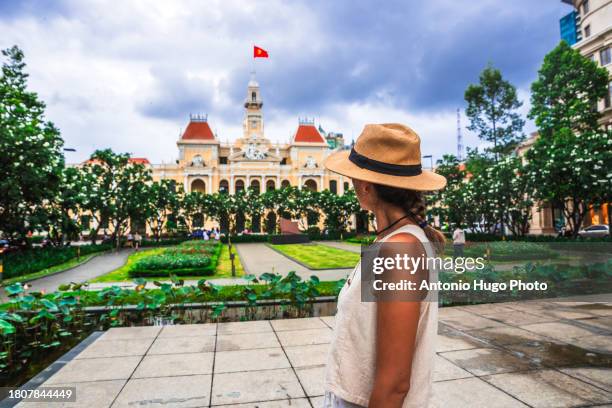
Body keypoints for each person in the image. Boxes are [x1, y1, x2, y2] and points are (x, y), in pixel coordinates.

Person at [323, 123, 447, 408]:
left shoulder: (398, 249)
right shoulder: (393, 240)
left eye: (353, 178)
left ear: (365, 186)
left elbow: (394, 382)